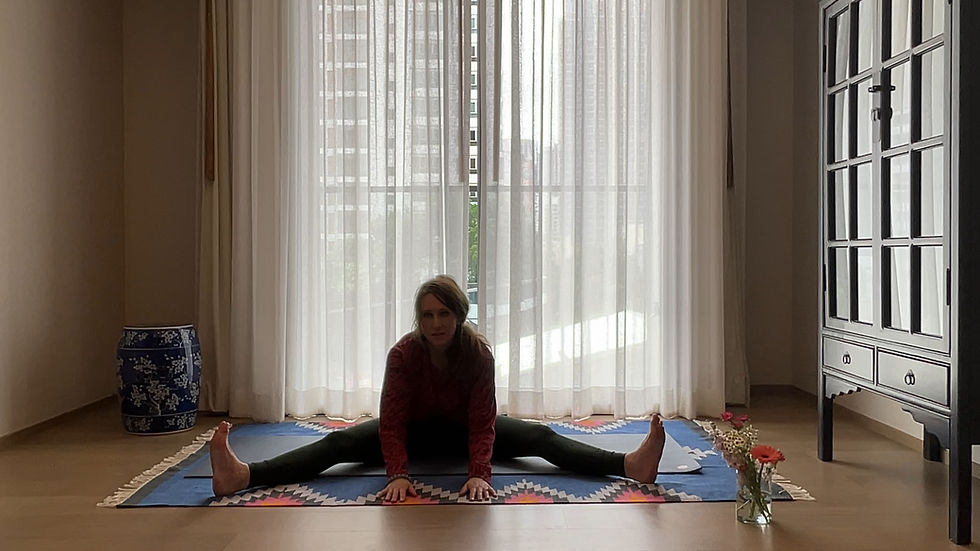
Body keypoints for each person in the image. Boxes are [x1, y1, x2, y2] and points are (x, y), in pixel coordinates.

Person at [209, 275, 666, 502]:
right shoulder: (403, 355)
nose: (435, 324)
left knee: (540, 438)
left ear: (459, 315)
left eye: (443, 314)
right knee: (341, 442)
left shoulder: (479, 356)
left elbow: (484, 422)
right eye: (427, 315)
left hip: (465, 431)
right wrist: (398, 473)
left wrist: (479, 473)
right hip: (412, 433)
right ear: (418, 319)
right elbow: (390, 422)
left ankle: (631, 464)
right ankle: (243, 476)